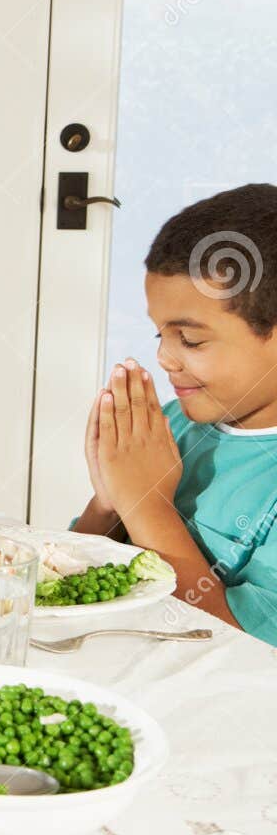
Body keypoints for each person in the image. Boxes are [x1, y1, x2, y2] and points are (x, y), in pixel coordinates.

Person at [73, 184, 277, 642]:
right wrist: (107, 504)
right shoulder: (172, 424)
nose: (165, 358)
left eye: (191, 340)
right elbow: (68, 574)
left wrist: (146, 502)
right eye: (159, 335)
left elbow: (244, 648)